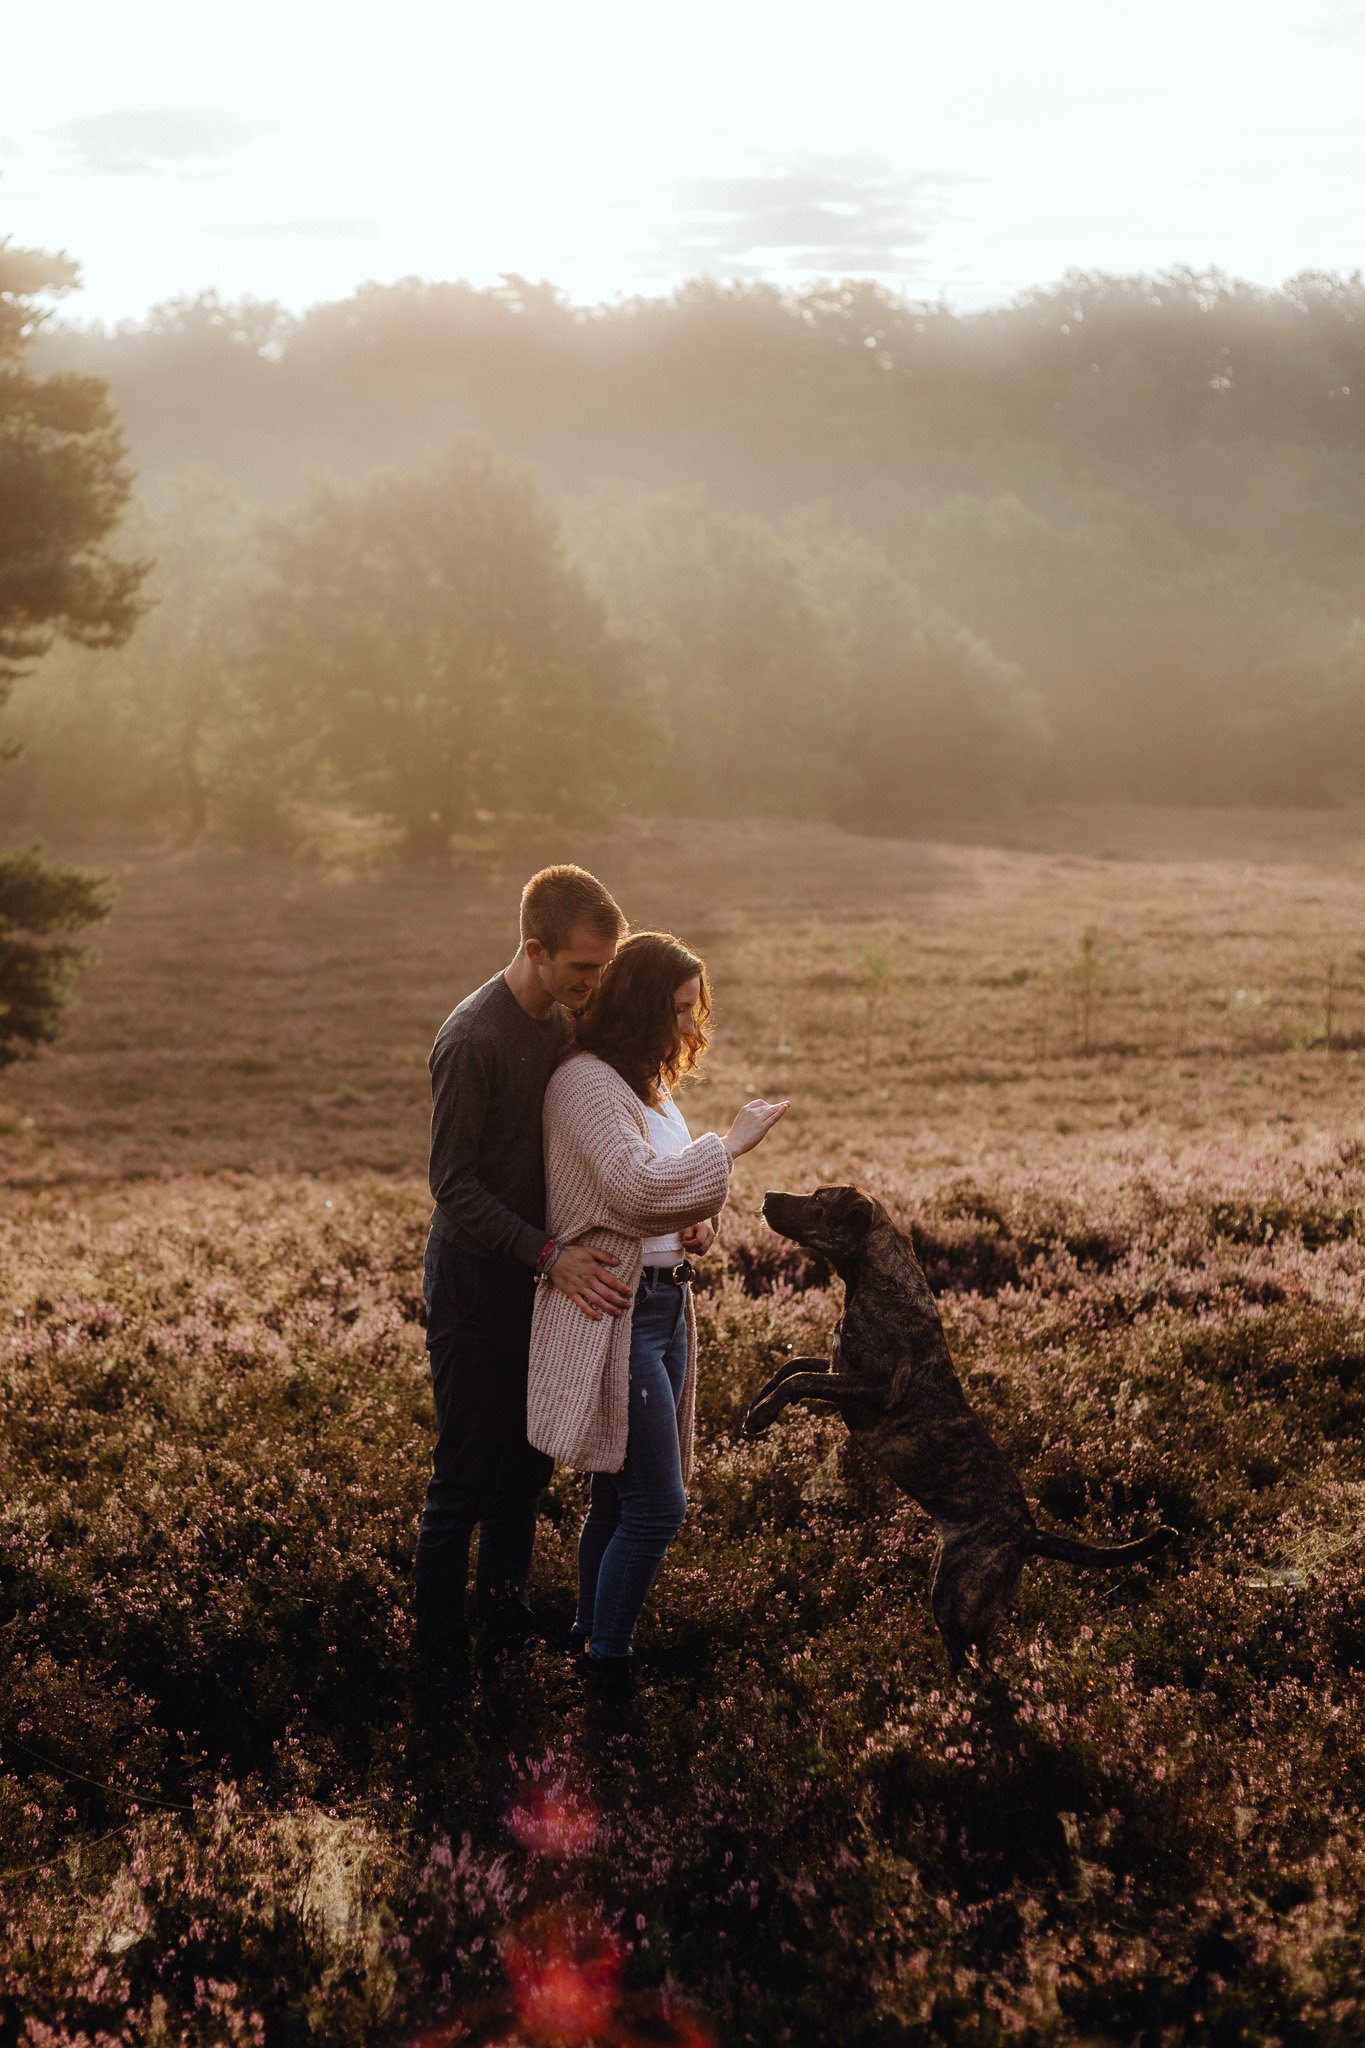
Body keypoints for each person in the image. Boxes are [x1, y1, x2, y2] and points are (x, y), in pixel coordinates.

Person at [526, 930, 789, 1695]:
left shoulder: (646, 1089)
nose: (688, 1027)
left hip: (666, 1308)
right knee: (656, 1507)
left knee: (618, 1492)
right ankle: (606, 1669)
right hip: (620, 1315)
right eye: (676, 1009)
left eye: (692, 1010)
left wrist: (696, 1225)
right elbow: (637, 1190)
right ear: (642, 1006)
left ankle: (586, 1637)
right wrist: (729, 1148)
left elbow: (657, 1190)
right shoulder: (585, 1082)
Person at [414, 864, 633, 1683]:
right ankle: (438, 1665)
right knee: (464, 1478)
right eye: (582, 967)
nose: (594, 983)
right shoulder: (472, 1039)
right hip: (477, 1290)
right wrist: (549, 1254)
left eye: (603, 967)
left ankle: (503, 1639)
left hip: (541, 1288)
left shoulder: (562, 1026)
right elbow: (452, 1185)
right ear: (535, 950)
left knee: (529, 1468)